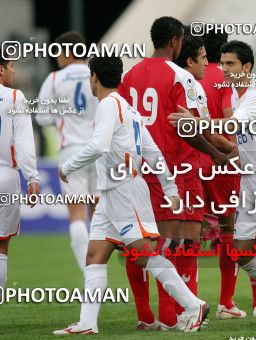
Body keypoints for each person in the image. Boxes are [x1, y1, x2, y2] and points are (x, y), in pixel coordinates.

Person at [53, 56, 208, 335]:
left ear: (95, 78)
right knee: (95, 254)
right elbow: (152, 152)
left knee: (143, 254)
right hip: (111, 192)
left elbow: (99, 145)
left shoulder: (109, 105)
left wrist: (68, 166)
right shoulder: (128, 108)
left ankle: (193, 304)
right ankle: (88, 323)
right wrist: (170, 188)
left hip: (124, 189)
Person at [170, 40, 256, 330]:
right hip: (251, 178)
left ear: (247, 67)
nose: (224, 69)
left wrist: (194, 124)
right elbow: (241, 142)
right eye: (222, 63)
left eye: (230, 64)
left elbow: (232, 127)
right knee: (241, 250)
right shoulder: (234, 93)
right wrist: (222, 156)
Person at [117, 17, 227, 330]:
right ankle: (174, 315)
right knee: (182, 240)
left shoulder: (130, 75)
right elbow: (187, 126)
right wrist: (218, 154)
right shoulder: (180, 77)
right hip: (175, 169)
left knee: (142, 241)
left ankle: (147, 316)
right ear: (176, 42)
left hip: (138, 168)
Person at [175, 29, 244, 319]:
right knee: (230, 228)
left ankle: (186, 301)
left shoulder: (183, 74)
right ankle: (226, 303)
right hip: (220, 160)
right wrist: (233, 153)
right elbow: (230, 120)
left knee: (188, 232)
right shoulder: (224, 77)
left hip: (190, 162)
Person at [36, 31, 98, 272]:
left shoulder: (54, 79)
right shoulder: (96, 75)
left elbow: (42, 118)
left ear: (68, 53)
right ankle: (99, 270)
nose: (57, 57)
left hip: (72, 151)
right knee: (97, 214)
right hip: (97, 150)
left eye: (58, 52)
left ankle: (88, 274)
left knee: (76, 215)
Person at [0, 46, 40, 290]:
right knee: (1, 245)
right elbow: (24, 142)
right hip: (5, 177)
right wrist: (32, 177)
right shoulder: (14, 98)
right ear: (1, 69)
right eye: (12, 66)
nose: (15, 71)